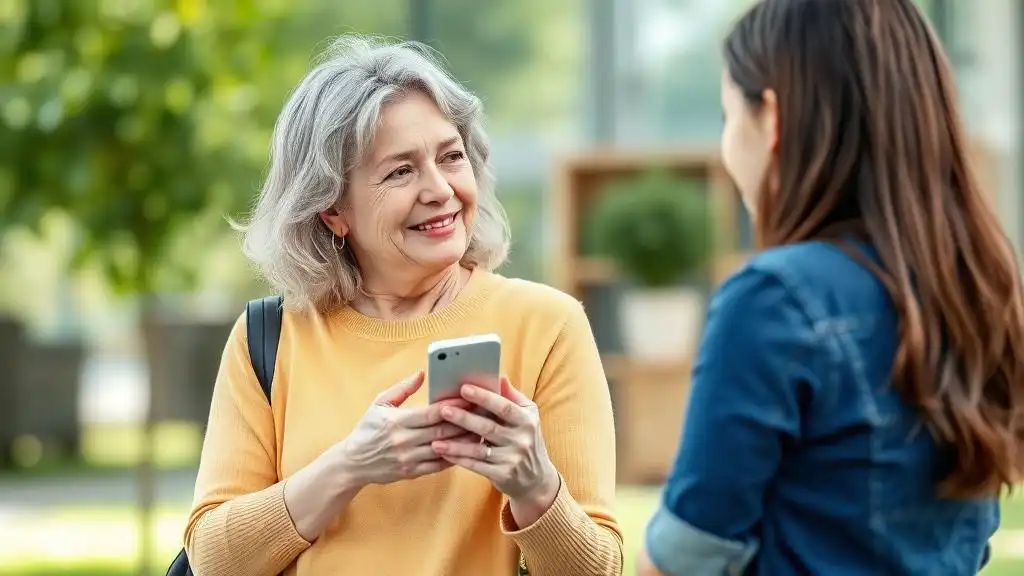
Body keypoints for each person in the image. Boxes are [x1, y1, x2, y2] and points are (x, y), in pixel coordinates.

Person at [184, 36, 622, 576]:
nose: (440, 189)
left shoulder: (547, 326)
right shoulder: (269, 337)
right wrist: (349, 467)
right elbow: (212, 561)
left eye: (451, 156)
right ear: (331, 210)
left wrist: (536, 487)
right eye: (400, 171)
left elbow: (600, 569)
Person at [638, 0, 1024, 574]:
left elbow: (684, 559)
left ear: (772, 118)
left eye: (728, 118)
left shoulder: (775, 299)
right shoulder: (975, 289)